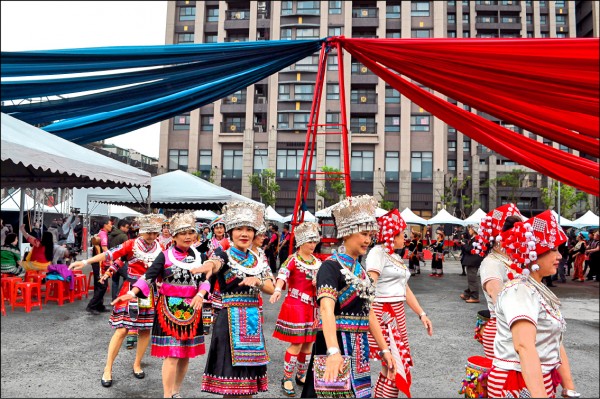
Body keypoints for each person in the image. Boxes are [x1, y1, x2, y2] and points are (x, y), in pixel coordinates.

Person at [300, 195, 395, 398]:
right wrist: (333, 351)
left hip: (359, 348)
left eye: (370, 234)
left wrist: (385, 350)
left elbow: (368, 314)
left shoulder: (360, 271)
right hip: (335, 343)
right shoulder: (330, 267)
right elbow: (326, 309)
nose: (368, 240)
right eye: (363, 233)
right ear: (346, 233)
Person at [113, 212, 209, 398]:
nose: (188, 236)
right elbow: (148, 277)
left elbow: (205, 281)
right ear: (173, 236)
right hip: (168, 310)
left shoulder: (200, 256)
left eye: (191, 232)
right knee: (172, 354)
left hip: (193, 310)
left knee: (185, 355)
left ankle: (176, 391)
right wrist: (132, 293)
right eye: (183, 233)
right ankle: (167, 395)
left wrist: (201, 293)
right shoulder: (164, 256)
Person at [488, 210, 579, 398]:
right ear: (534, 253)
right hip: (517, 381)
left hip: (535, 378)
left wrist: (568, 385)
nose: (560, 256)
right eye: (554, 250)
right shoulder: (519, 291)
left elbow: (555, 341)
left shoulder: (535, 288)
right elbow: (524, 347)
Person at [70, 214, 164, 388]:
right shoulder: (131, 244)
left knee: (144, 331)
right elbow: (109, 255)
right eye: (148, 232)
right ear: (141, 231)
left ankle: (137, 363)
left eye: (154, 233)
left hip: (151, 292)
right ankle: (108, 368)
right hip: (129, 290)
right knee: (121, 330)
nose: (151, 236)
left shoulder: (161, 247)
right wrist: (85, 261)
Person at [192, 201, 275, 397]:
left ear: (255, 233)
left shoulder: (258, 259)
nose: (244, 234)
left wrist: (258, 282)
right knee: (231, 386)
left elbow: (271, 288)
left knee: (248, 386)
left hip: (252, 322)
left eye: (249, 229)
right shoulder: (225, 255)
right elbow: (215, 263)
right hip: (229, 322)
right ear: (230, 231)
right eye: (239, 229)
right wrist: (207, 266)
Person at [365, 209, 433, 398]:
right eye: (402, 234)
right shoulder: (377, 253)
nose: (405, 238)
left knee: (390, 365)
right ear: (390, 236)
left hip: (397, 312)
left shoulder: (393, 256)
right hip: (384, 313)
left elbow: (404, 288)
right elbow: (370, 286)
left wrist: (422, 313)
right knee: (394, 363)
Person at [270, 222, 322, 397]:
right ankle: (286, 377)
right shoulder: (293, 259)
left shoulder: (317, 262)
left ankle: (301, 374)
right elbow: (283, 274)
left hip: (313, 306)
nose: (313, 245)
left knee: (309, 342)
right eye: (309, 241)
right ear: (301, 242)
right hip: (296, 304)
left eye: (315, 241)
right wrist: (277, 289)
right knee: (297, 341)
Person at [475, 203, 523, 358]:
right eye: (514, 229)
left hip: (515, 329)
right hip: (503, 332)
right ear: (499, 236)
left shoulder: (511, 261)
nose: (520, 234)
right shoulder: (492, 264)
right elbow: (501, 302)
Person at [460, 225, 484, 303]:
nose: (469, 230)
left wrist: (464, 244)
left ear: (474, 230)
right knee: (470, 278)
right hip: (471, 260)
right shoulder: (474, 238)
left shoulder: (476, 239)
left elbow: (470, 250)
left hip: (473, 260)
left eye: (470, 229)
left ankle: (475, 296)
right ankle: (467, 293)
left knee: (472, 279)